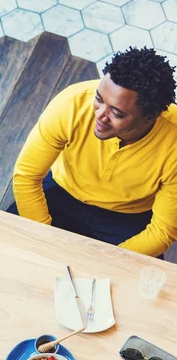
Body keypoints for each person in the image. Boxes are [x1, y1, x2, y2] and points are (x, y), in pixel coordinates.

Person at [10, 47, 177, 258]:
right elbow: (26, 177)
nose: (99, 115)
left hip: (127, 217)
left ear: (150, 116)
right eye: (99, 99)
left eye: (116, 113)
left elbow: (162, 231)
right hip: (60, 193)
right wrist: (44, 238)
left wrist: (106, 262)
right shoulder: (72, 103)